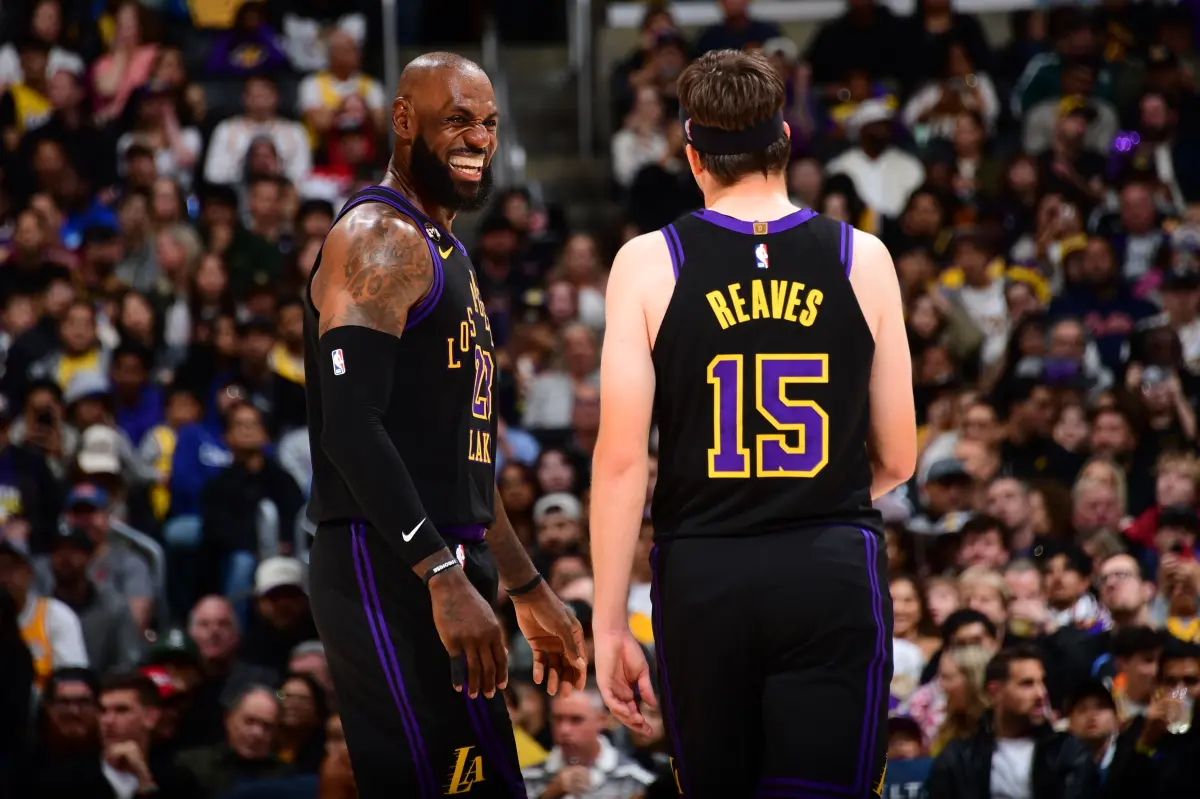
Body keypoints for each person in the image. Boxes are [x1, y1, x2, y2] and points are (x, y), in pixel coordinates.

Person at [590, 48, 916, 798]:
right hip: (828, 566)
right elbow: (899, 455)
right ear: (787, 143)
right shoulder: (861, 257)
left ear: (692, 154)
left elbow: (619, 464)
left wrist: (610, 624)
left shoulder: (646, 263)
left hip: (704, 572)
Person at [302, 52, 586, 798]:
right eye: (457, 118)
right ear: (404, 120)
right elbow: (350, 427)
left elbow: (463, 463)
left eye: (488, 123)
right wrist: (440, 572)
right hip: (385, 561)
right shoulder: (378, 237)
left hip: (449, 564)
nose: (478, 137)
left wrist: (525, 585)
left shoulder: (444, 250)